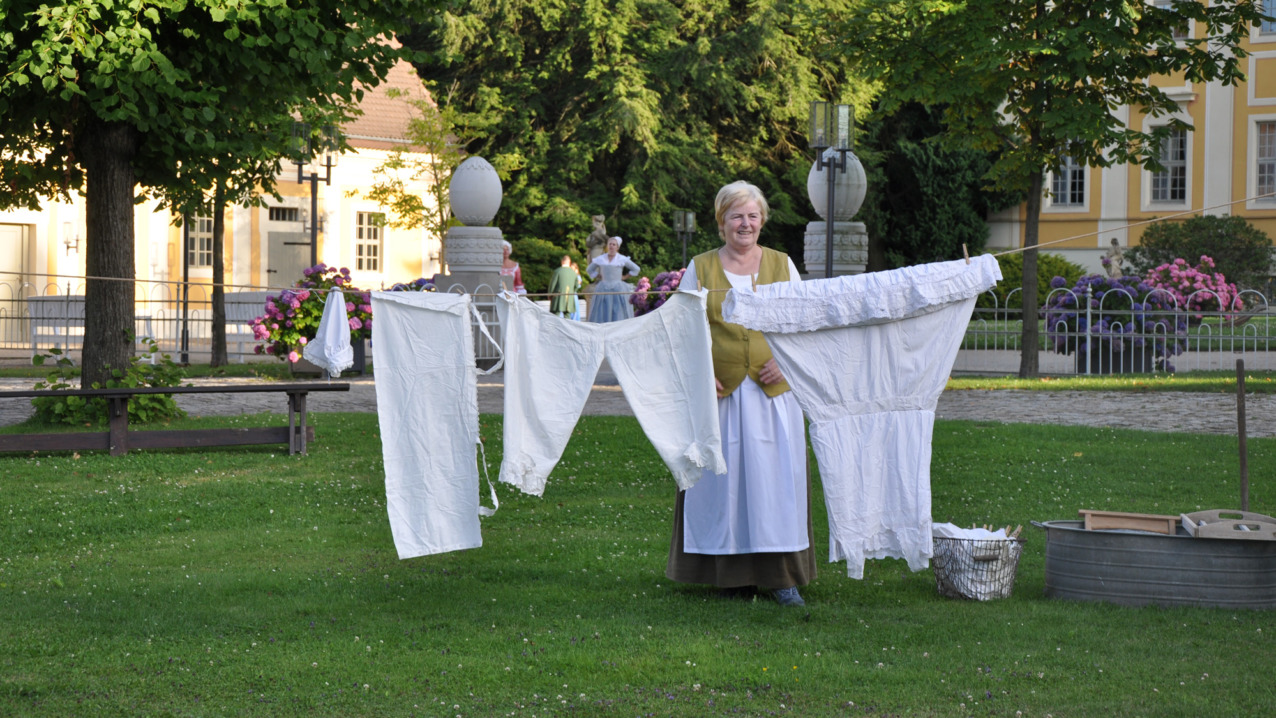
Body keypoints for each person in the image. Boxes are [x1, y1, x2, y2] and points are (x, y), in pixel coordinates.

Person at [666, 180, 813, 607]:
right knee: (723, 484)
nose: (744, 224)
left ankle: (782, 578)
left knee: (773, 485)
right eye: (736, 216)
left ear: (762, 220)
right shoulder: (700, 267)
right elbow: (681, 328)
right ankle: (730, 576)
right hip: (722, 398)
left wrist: (786, 361)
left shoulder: (783, 265)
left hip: (772, 398)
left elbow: (805, 325)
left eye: (751, 215)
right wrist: (699, 371)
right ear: (721, 222)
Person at [586, 236, 639, 322]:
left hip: (618, 288)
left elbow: (636, 269)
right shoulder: (601, 258)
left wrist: (625, 277)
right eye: (610, 244)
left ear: (617, 247)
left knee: (618, 311)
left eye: (614, 244)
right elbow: (589, 269)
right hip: (603, 288)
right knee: (602, 310)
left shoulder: (621, 259)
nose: (611, 246)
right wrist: (597, 275)